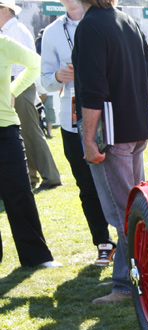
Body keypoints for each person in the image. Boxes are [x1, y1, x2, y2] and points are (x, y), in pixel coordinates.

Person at [73, 0, 148, 304]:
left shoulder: (91, 26)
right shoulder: (127, 21)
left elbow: (93, 89)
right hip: (134, 125)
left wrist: (89, 138)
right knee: (134, 209)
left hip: (113, 132)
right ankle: (127, 278)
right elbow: (147, 71)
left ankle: (125, 285)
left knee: (124, 214)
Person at [39, 0, 115, 267]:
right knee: (86, 184)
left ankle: (132, 241)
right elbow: (44, 80)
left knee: (117, 181)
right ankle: (103, 243)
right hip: (72, 120)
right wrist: (58, 76)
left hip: (109, 116)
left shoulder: (108, 19)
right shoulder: (52, 32)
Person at [0, 31, 57, 268]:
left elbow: (36, 64)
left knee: (20, 191)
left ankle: (37, 257)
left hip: (6, 128)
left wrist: (14, 90)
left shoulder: (4, 43)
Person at [0, 0, 61, 190]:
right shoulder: (12, 29)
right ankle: (31, 177)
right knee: (24, 134)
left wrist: (13, 90)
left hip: (18, 87)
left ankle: (50, 176)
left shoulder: (14, 30)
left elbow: (27, 64)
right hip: (17, 86)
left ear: (3, 9)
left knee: (30, 132)